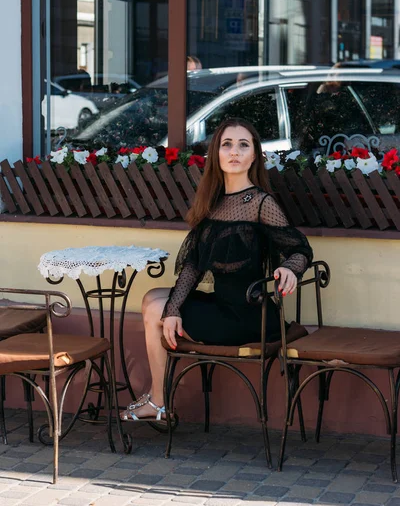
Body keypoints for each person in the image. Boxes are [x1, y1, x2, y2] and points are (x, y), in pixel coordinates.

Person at [120, 118, 313, 422]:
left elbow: (299, 248)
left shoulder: (260, 202)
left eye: (243, 145)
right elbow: (193, 264)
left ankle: (159, 402)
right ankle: (159, 399)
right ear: (217, 154)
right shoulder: (214, 202)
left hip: (248, 315)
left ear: (254, 156)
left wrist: (290, 267)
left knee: (157, 308)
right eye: (227, 145)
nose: (234, 152)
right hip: (222, 305)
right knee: (153, 300)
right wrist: (173, 308)